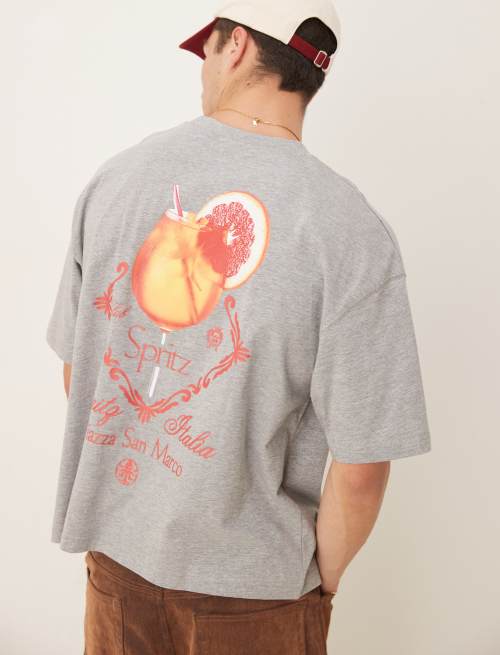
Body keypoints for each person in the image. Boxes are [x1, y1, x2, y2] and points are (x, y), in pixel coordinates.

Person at [46, 0, 432, 653]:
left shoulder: (117, 178)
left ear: (235, 47)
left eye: (207, 50)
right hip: (256, 594)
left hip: (116, 572)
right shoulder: (351, 231)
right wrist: (319, 584)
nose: (202, 69)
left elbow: (78, 374)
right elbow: (362, 468)